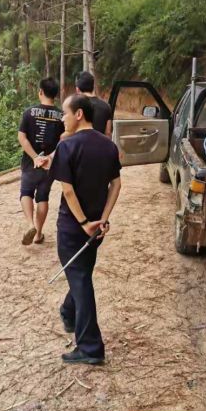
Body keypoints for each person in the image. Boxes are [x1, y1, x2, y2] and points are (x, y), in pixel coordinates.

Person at [49, 94, 122, 364]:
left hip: (73, 227)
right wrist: (102, 219)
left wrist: (83, 223)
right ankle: (69, 313)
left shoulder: (67, 147)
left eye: (65, 114)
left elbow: (67, 190)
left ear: (79, 114)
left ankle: (90, 348)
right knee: (80, 274)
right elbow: (116, 184)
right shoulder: (108, 146)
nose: (62, 119)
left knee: (80, 279)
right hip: (96, 229)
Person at [17, 77, 64, 245]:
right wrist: (49, 157)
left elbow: (22, 137)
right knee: (43, 197)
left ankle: (31, 225)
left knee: (26, 192)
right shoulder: (62, 116)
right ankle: (38, 234)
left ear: (41, 92)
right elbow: (64, 140)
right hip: (49, 164)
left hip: (31, 162)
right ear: (56, 95)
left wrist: (35, 157)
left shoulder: (29, 112)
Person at [75, 71, 112, 137]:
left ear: (77, 89)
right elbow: (108, 133)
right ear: (93, 87)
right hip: (100, 145)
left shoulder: (75, 106)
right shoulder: (106, 106)